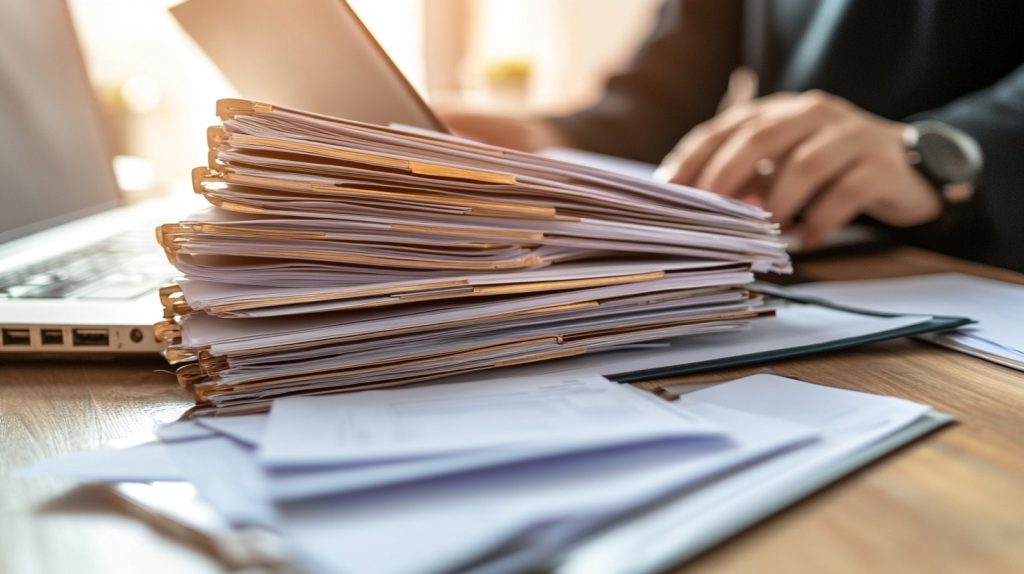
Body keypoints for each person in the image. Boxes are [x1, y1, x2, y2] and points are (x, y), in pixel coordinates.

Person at [444, 0, 1024, 271]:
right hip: (786, 255)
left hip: (971, 266)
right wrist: (537, 134)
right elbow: (660, 101)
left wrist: (947, 150)